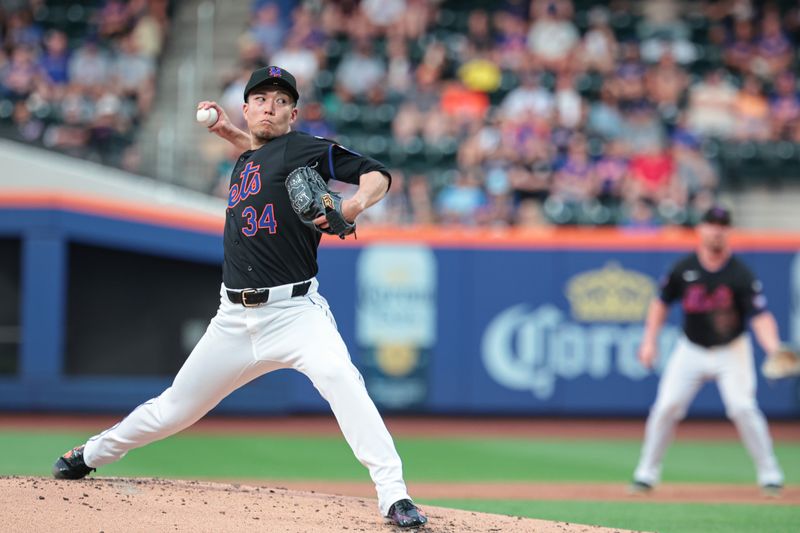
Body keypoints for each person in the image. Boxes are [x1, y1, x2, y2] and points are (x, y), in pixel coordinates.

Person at [51, 66, 428, 529]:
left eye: (281, 100)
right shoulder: (251, 154)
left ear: (293, 113)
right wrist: (226, 129)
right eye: (261, 99)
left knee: (340, 378)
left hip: (295, 314)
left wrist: (349, 207)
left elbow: (377, 174)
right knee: (175, 409)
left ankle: (394, 495)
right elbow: (258, 152)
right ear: (247, 108)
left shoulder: (302, 149)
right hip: (232, 319)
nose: (270, 106)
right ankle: (89, 453)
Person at [629, 206, 785, 497]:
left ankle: (770, 473)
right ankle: (646, 474)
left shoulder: (740, 273)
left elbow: (760, 315)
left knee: (742, 407)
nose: (716, 229)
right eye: (711, 223)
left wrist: (773, 348)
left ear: (729, 231)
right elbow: (660, 303)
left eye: (722, 224)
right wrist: (648, 341)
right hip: (692, 348)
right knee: (666, 407)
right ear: (701, 229)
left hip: (732, 349)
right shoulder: (684, 267)